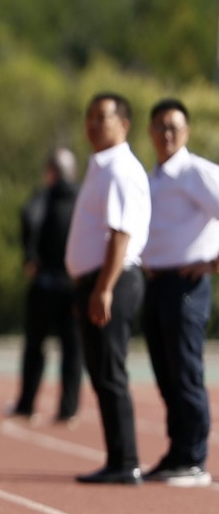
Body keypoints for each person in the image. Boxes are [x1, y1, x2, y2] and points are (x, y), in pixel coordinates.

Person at [63, 92, 149, 485]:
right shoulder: (100, 166)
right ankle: (117, 457)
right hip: (95, 281)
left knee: (109, 371)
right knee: (99, 372)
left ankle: (126, 461)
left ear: (124, 124)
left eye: (103, 117)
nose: (94, 125)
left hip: (111, 280)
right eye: (90, 117)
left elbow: (121, 234)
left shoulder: (120, 169)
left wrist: (104, 288)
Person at [140, 98, 214, 486]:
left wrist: (212, 263)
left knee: (185, 372)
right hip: (155, 284)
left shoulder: (197, 173)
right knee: (166, 373)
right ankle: (177, 450)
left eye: (175, 127)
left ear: (185, 132)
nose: (167, 134)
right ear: (151, 132)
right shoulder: (152, 179)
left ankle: (194, 457)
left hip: (186, 285)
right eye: (161, 127)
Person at [8, 149, 81, 425]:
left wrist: (31, 256)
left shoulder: (45, 196)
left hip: (46, 283)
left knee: (36, 348)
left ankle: (27, 403)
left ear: (52, 171)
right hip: (74, 284)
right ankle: (68, 409)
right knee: (72, 351)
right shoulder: (81, 197)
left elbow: (29, 218)